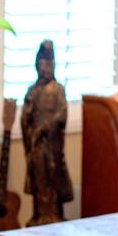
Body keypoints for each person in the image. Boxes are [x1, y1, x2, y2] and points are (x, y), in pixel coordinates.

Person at [20, 39, 73, 226]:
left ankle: (54, 214)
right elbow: (25, 118)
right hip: (37, 145)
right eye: (43, 63)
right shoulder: (32, 92)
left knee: (54, 178)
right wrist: (33, 135)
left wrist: (48, 126)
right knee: (39, 180)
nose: (46, 67)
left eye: (50, 63)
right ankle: (40, 215)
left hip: (53, 145)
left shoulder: (58, 90)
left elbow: (62, 113)